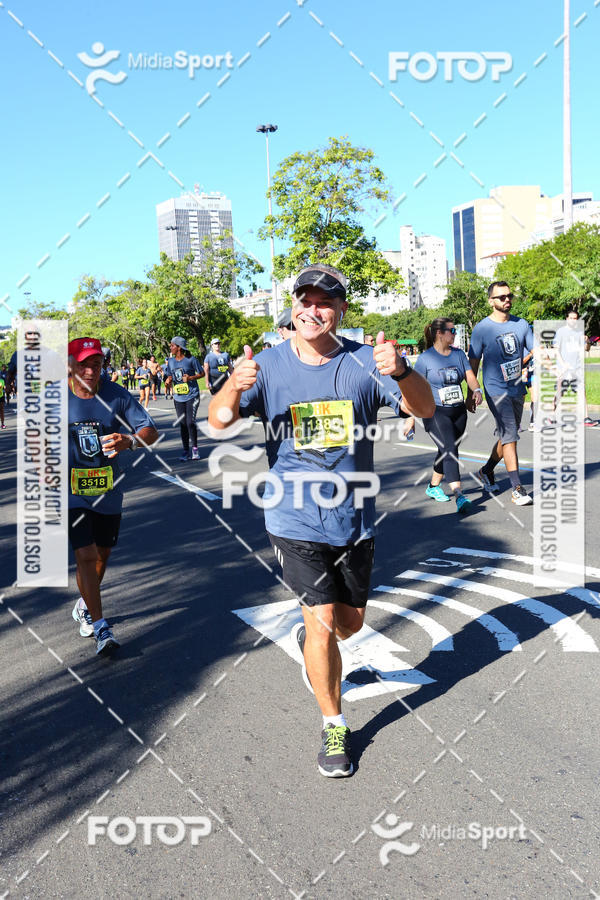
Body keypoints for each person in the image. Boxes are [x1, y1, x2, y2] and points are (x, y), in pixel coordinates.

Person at [208, 263, 434, 778]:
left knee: (349, 625)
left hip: (354, 519)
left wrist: (400, 371)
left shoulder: (364, 363)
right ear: (293, 307)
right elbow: (218, 424)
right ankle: (335, 724)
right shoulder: (264, 366)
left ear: (341, 310)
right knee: (324, 621)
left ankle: (313, 649)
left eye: (325, 301)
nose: (314, 310)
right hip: (293, 516)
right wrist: (233, 387)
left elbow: (421, 411)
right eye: (305, 300)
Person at [68, 337, 158, 654]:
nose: (90, 370)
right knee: (86, 555)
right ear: (70, 364)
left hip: (108, 491)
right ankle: (100, 627)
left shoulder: (116, 395)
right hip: (72, 493)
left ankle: (85, 604)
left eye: (96, 363)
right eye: (83, 363)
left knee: (102, 556)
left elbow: (151, 432)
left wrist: (128, 441)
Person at [467, 281, 533, 506]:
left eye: (509, 296)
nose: (507, 299)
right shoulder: (482, 329)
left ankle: (486, 470)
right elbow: (472, 363)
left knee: (508, 437)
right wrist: (471, 392)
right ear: (491, 301)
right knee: (511, 436)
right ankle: (517, 487)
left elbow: (534, 348)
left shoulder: (522, 324)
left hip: (517, 388)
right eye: (501, 297)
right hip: (495, 389)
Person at [414, 318, 483, 514]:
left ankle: (433, 486)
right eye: (451, 330)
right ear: (439, 333)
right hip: (434, 411)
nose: (454, 333)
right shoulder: (425, 358)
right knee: (450, 448)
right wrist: (410, 418)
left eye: (455, 330)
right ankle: (459, 494)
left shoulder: (459, 354)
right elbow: (415, 389)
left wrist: (476, 390)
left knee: (446, 448)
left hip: (458, 410)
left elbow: (469, 375)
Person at [553, 309, 596, 426]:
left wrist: (587, 342)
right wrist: (562, 364)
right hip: (564, 369)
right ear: (567, 319)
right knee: (560, 393)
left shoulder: (579, 333)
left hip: (577, 369)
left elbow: (586, 349)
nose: (573, 320)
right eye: (571, 318)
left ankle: (585, 418)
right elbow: (556, 350)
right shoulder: (561, 332)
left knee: (582, 391)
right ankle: (552, 415)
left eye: (575, 318)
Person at [163, 336, 203, 460]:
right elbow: (169, 376)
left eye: (172, 345)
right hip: (178, 397)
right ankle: (185, 451)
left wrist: (190, 378)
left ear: (179, 347)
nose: (170, 347)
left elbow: (202, 373)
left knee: (190, 422)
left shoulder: (191, 360)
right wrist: (168, 381)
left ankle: (195, 449)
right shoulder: (171, 361)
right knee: (183, 424)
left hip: (192, 395)